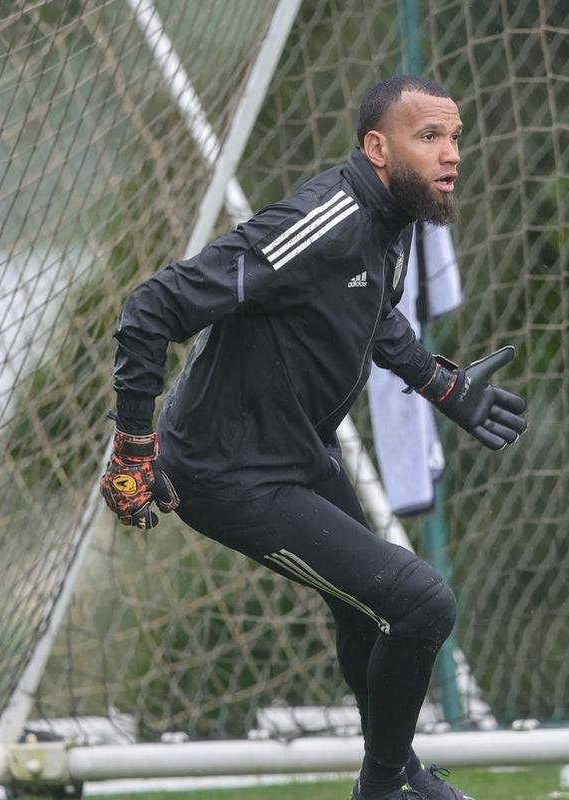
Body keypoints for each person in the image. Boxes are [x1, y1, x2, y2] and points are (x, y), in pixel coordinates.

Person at [98, 75, 528, 800]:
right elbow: (153, 307)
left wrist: (442, 386)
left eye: (455, 137)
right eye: (430, 137)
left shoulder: (392, 221)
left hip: (295, 457)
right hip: (226, 474)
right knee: (423, 604)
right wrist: (135, 448)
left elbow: (376, 315)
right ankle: (386, 785)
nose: (451, 153)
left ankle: (394, 774)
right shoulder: (326, 219)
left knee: (371, 607)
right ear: (376, 146)